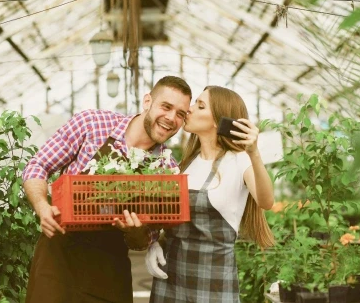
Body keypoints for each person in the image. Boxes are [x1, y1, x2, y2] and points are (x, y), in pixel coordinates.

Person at [22, 76, 192, 303]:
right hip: (59, 254)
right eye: (166, 107)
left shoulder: (167, 170)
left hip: (109, 267)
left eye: (181, 114)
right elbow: (38, 165)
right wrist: (42, 206)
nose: (171, 118)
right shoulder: (92, 123)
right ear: (147, 101)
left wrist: (136, 231)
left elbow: (144, 241)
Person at [145, 86, 275, 303]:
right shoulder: (187, 164)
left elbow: (266, 201)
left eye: (200, 105)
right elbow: (175, 218)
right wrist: (156, 242)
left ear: (218, 120)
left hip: (213, 281)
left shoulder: (239, 159)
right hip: (172, 275)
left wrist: (253, 152)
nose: (189, 109)